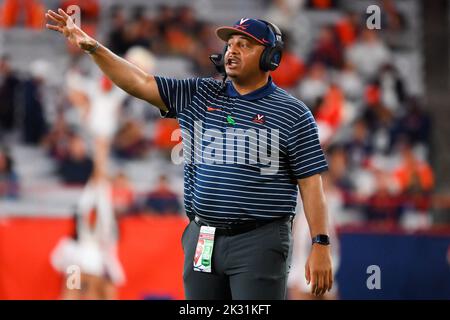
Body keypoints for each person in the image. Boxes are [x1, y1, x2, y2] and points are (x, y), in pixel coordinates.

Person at [46, 10, 333, 299]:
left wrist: (320, 243)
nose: (232, 50)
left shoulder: (292, 113)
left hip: (259, 238)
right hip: (203, 235)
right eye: (230, 44)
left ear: (270, 57)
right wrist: (93, 48)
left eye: (244, 45)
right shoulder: (199, 94)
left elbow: (311, 184)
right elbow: (140, 83)